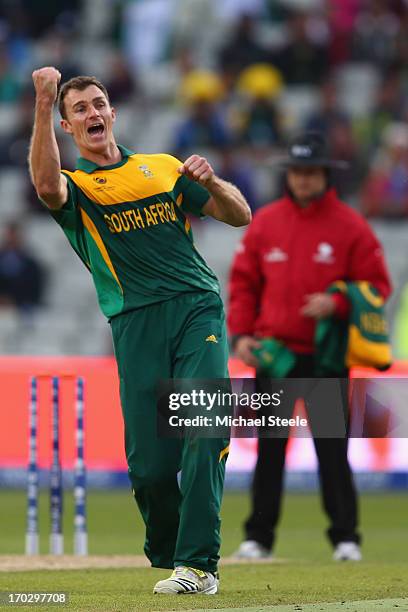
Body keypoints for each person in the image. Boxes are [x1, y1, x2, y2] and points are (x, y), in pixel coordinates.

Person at [29, 66, 251, 594]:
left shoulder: (162, 167)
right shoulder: (78, 189)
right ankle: (179, 557)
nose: (93, 114)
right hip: (135, 325)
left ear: (114, 111)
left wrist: (211, 180)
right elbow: (43, 184)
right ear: (66, 126)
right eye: (79, 109)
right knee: (151, 471)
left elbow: (239, 215)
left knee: (205, 429)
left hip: (197, 309)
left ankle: (199, 564)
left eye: (99, 103)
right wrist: (41, 101)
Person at [228, 132, 391, 562]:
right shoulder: (266, 222)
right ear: (290, 175)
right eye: (297, 172)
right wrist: (241, 335)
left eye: (311, 172)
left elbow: (377, 286)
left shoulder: (349, 225)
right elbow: (243, 284)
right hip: (275, 354)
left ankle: (345, 538)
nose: (303, 180)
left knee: (333, 451)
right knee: (269, 449)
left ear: (325, 175)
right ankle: (258, 538)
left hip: (326, 357)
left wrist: (336, 303)